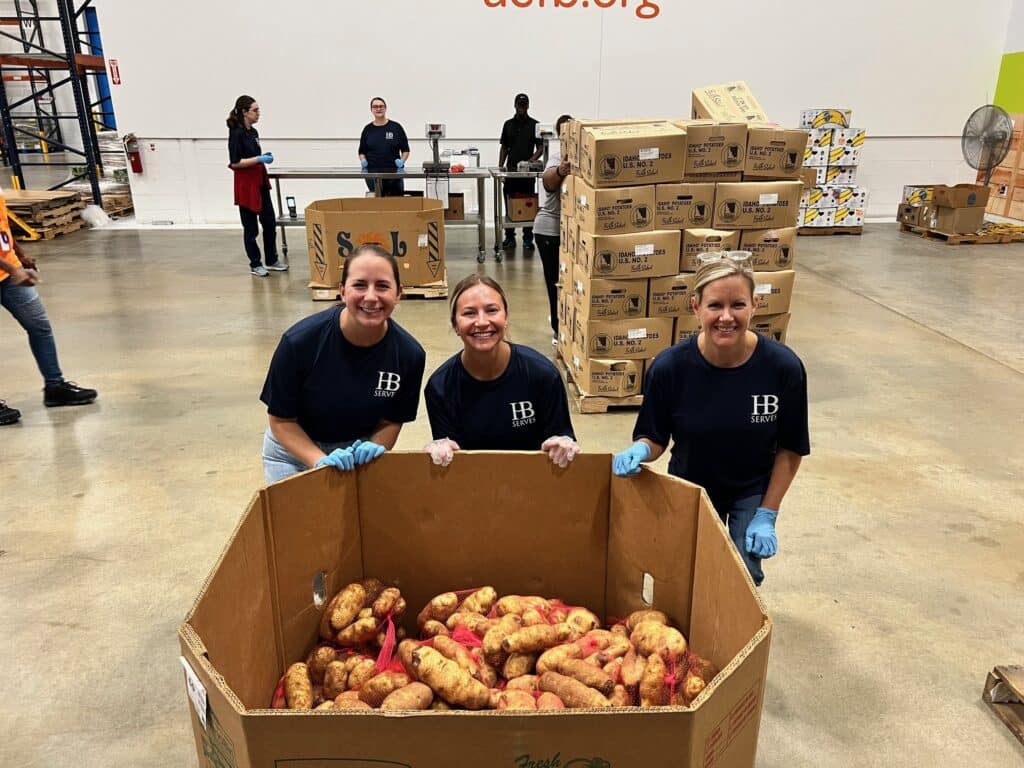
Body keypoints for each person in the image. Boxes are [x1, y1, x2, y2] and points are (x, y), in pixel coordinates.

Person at [612, 255, 809, 586]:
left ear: (755, 305)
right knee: (684, 574)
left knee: (743, 574)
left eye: (738, 305)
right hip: (693, 482)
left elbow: (791, 448)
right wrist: (641, 451)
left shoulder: (782, 368)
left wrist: (767, 513)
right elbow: (655, 436)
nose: (727, 317)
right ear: (696, 307)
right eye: (715, 305)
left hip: (753, 488)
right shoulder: (671, 368)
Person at [260, 244, 426, 482]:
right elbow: (281, 421)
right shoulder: (300, 343)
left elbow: (391, 420)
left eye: (382, 286)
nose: (371, 296)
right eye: (359, 285)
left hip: (356, 453)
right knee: (300, 519)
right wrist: (318, 460)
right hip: (293, 453)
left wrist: (374, 447)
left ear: (398, 293)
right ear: (342, 291)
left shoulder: (409, 355)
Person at [423, 274, 579, 468]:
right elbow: (452, 466)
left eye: (492, 310)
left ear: (506, 318)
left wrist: (563, 446)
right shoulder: (440, 387)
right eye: (469, 313)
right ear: (455, 325)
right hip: (472, 487)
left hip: (534, 485)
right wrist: (441, 451)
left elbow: (562, 444)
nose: (481, 322)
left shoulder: (543, 375)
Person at [0, 189, 97, 425]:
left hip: (9, 272)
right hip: (11, 272)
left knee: (39, 326)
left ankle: (55, 387)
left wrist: (20, 256)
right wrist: (15, 270)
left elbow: (3, 226)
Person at [227, 95, 286, 278]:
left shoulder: (253, 133)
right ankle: (255, 263)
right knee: (251, 227)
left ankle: (272, 259)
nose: (258, 113)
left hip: (260, 182)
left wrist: (261, 158)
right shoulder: (236, 134)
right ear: (244, 112)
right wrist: (258, 159)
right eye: (255, 110)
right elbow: (235, 162)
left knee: (269, 222)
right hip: (246, 186)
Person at [532, 113, 572, 344]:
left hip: (571, 232)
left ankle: (565, 323)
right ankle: (558, 330)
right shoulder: (558, 156)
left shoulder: (584, 156)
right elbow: (548, 181)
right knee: (555, 281)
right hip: (550, 230)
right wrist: (560, 171)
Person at [498, 93, 543, 251]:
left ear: (528, 106)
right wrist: (501, 168)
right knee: (509, 204)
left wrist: (530, 161)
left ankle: (528, 239)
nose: (521, 108)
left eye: (524, 105)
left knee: (528, 206)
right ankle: (509, 238)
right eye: (519, 105)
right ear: (515, 106)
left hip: (527, 175)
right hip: (510, 173)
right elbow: (504, 147)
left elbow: (541, 147)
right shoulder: (508, 124)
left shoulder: (535, 125)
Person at [358, 97, 410, 197]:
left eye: (381, 106)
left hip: (394, 175)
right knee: (378, 204)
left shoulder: (396, 127)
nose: (378, 109)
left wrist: (402, 161)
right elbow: (361, 151)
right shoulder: (367, 130)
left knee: (396, 203)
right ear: (371, 110)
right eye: (375, 107)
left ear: (385, 108)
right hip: (373, 175)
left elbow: (406, 150)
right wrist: (363, 161)